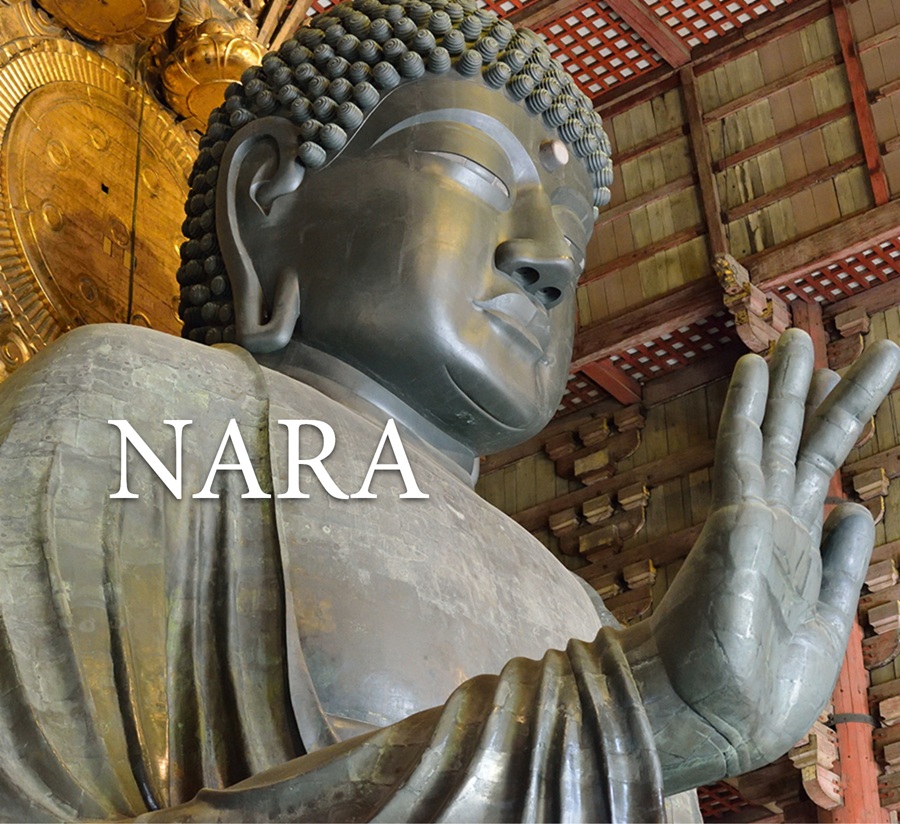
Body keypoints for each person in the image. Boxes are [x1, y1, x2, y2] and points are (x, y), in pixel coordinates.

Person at [0, 0, 896, 821]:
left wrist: (656, 716)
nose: (547, 259)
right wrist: (628, 720)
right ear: (264, 197)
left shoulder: (588, 615)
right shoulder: (138, 410)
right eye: (473, 170)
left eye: (575, 245)